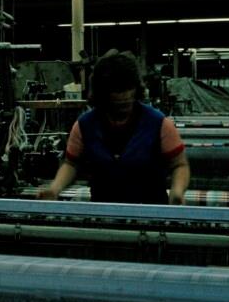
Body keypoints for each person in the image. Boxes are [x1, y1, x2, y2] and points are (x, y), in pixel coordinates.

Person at [38, 50, 189, 204]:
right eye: (117, 95)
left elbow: (180, 165)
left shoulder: (159, 124)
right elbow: (71, 164)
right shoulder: (84, 126)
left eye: (128, 91)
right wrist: (54, 189)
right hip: (104, 213)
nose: (124, 98)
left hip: (150, 213)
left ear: (136, 89)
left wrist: (177, 192)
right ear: (102, 94)